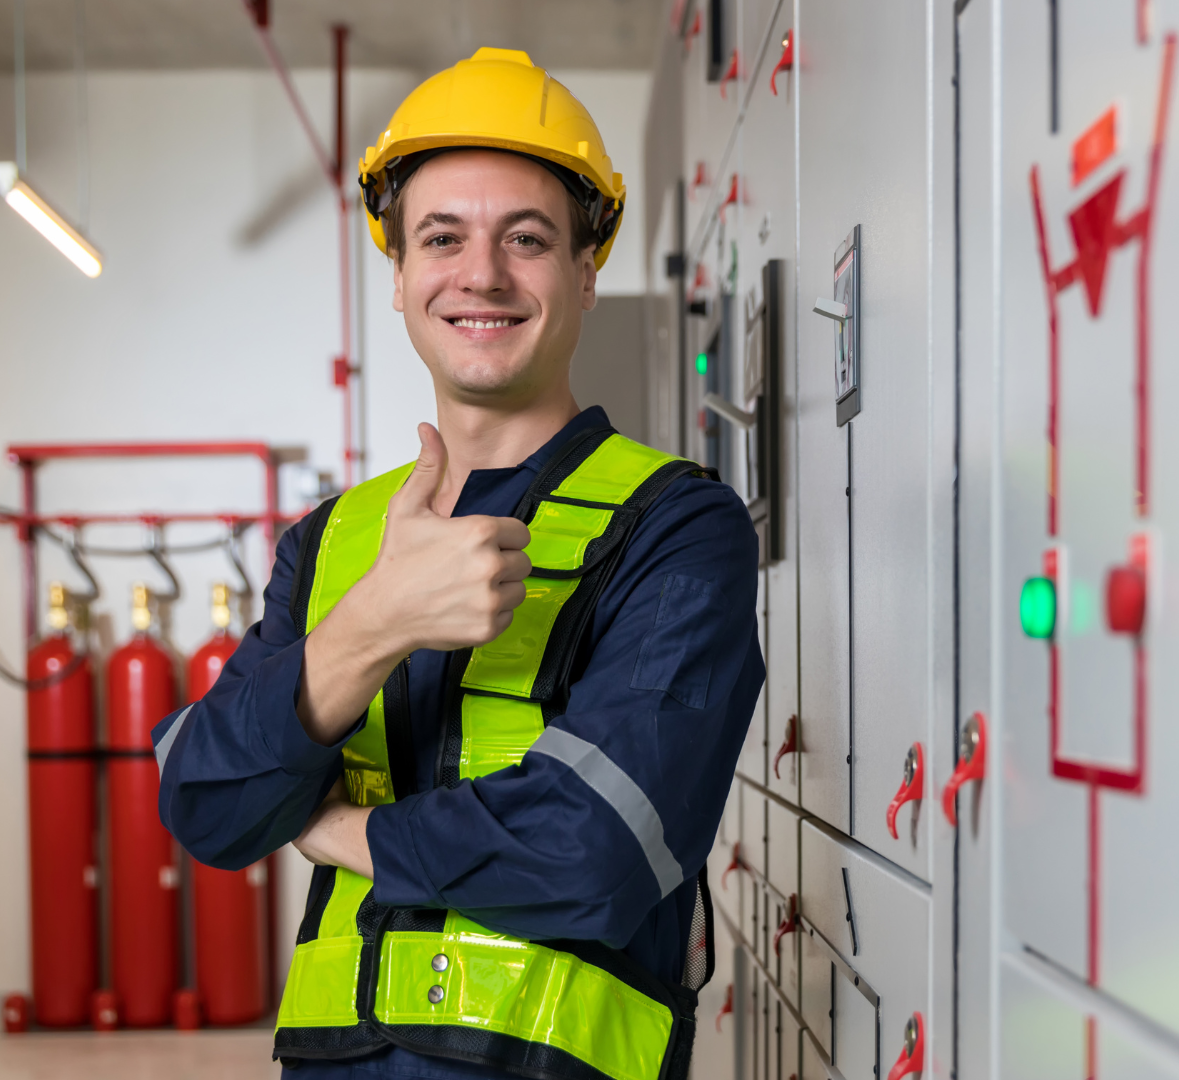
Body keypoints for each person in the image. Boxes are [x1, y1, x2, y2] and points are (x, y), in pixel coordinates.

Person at [154, 48, 762, 1080]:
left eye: (525, 239)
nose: (481, 274)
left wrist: (338, 830)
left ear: (584, 273)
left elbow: (599, 852)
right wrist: (376, 620)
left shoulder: (676, 524)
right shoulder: (334, 542)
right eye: (442, 239)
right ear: (398, 278)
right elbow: (207, 804)